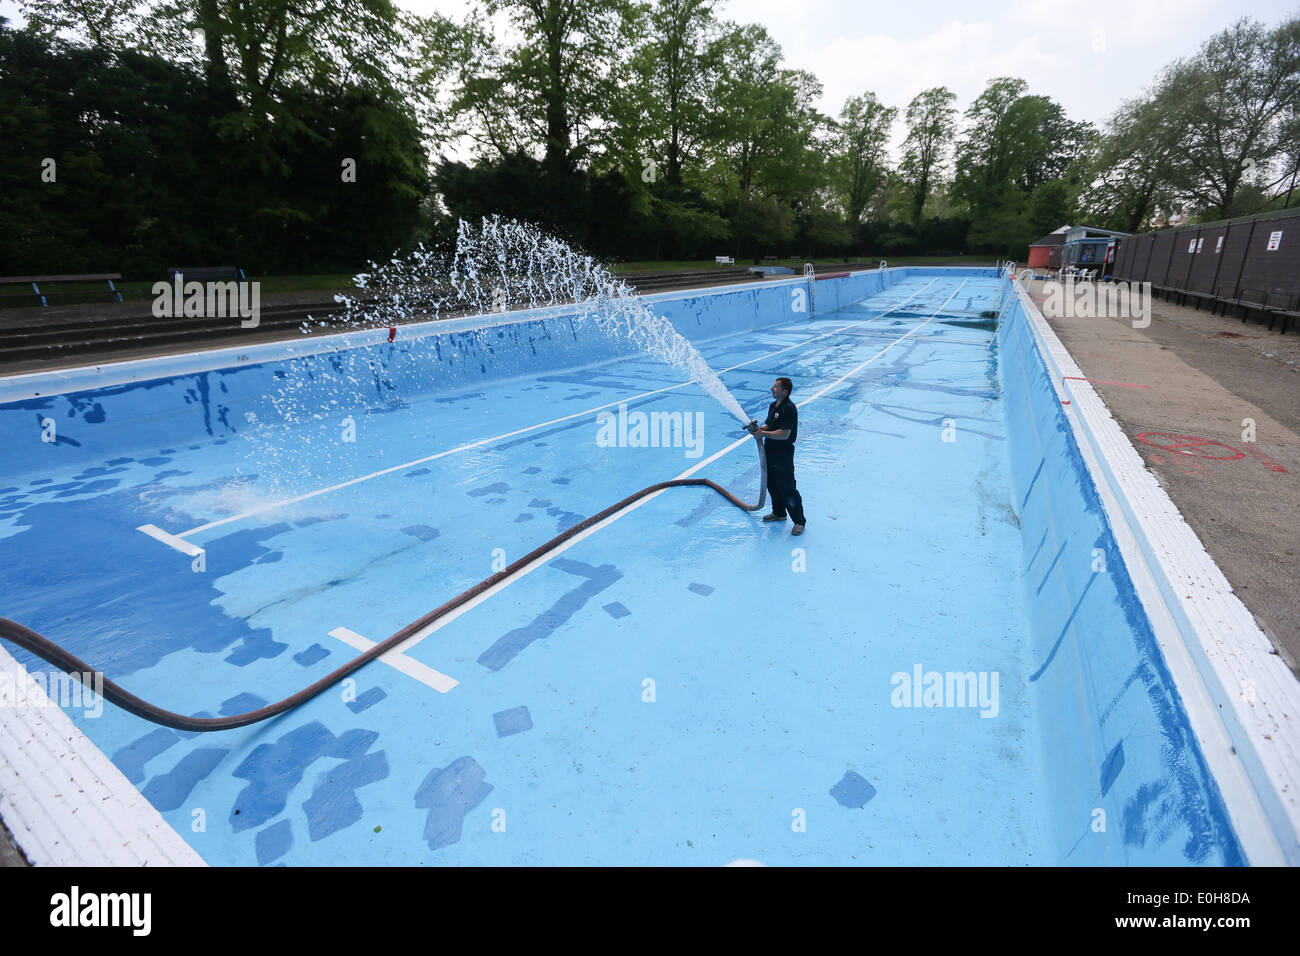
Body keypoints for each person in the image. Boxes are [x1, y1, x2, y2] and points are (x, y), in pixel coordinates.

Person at [756, 376, 805, 535]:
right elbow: (769, 425)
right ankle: (779, 512)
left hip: (782, 453)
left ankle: (799, 521)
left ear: (785, 391)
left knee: (787, 487)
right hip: (770, 450)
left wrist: (763, 433)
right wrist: (758, 429)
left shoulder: (789, 409)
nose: (772, 388)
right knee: (772, 483)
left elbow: (784, 434)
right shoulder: (773, 406)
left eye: (775, 387)